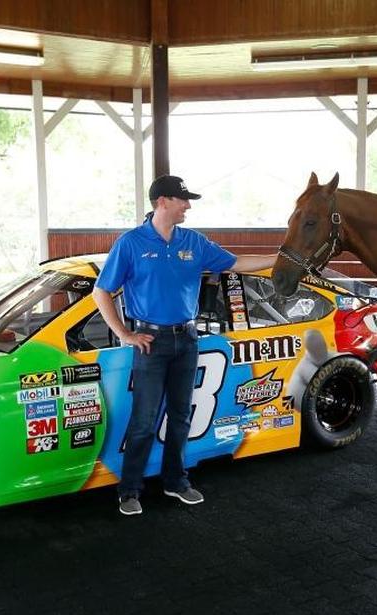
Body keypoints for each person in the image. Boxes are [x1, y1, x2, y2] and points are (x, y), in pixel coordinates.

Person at [93, 175, 276, 516]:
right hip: (150, 341)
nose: (188, 206)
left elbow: (235, 263)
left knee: (180, 416)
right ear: (162, 201)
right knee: (145, 420)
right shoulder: (130, 243)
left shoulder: (194, 241)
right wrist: (125, 334)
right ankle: (130, 490)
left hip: (187, 340)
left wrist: (279, 258)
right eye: (182, 200)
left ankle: (176, 481)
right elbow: (101, 291)